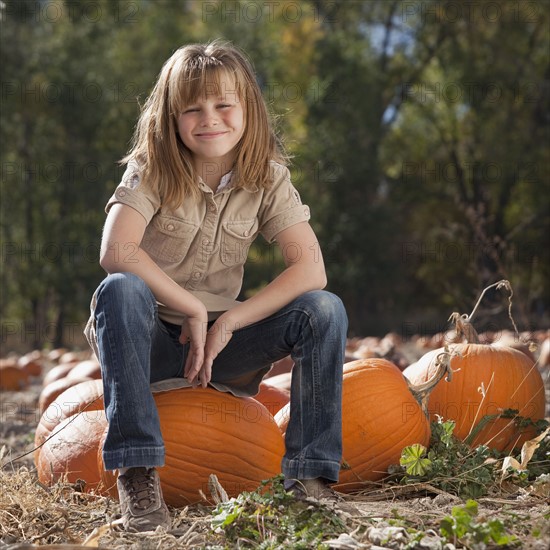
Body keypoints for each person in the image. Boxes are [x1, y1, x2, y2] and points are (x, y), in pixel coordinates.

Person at [84, 39, 348, 532]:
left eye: (224, 104)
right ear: (171, 116)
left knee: (323, 309)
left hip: (223, 349)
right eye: (193, 108)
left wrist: (229, 320)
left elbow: (310, 268)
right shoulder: (152, 170)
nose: (210, 118)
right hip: (153, 344)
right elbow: (115, 251)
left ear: (247, 109)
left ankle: (309, 481)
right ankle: (138, 473)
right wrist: (190, 308)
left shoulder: (267, 177)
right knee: (119, 289)